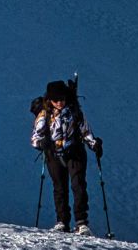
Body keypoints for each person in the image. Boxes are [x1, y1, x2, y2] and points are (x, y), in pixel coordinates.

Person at [30, 79, 102, 234]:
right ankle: (62, 221)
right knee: (60, 188)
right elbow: (35, 138)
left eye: (62, 99)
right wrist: (41, 144)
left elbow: (85, 131)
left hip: (75, 152)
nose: (59, 103)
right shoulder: (44, 115)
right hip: (54, 154)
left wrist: (94, 144)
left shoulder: (74, 111)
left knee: (79, 185)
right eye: (56, 100)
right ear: (50, 100)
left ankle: (81, 222)